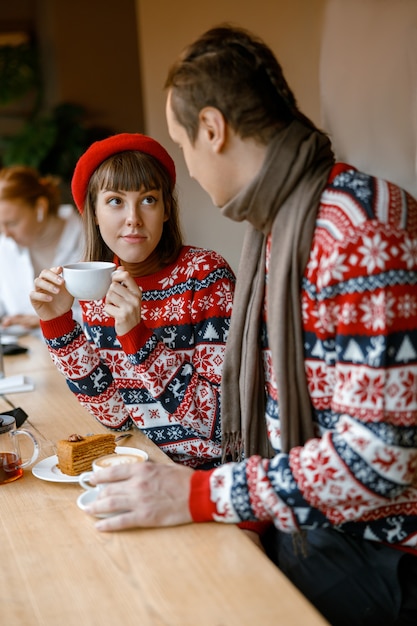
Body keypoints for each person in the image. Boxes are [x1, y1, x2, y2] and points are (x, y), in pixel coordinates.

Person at [70, 25, 417, 626]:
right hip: (309, 522)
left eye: (184, 148)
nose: (192, 175)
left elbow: (381, 462)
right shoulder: (287, 226)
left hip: (375, 550)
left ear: (213, 129)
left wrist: (199, 494)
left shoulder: (354, 231)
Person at [30, 133, 236, 469]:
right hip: (144, 465)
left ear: (167, 209)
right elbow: (116, 418)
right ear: (93, 213)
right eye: (115, 201)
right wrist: (59, 325)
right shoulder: (99, 290)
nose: (133, 218)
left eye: (148, 200)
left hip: (211, 473)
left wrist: (137, 337)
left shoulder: (205, 276)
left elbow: (222, 423)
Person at [0, 165, 84, 331]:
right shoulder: (5, 246)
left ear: (40, 208)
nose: (5, 233)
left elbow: (105, 315)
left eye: (12, 223)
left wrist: (49, 319)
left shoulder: (87, 241)